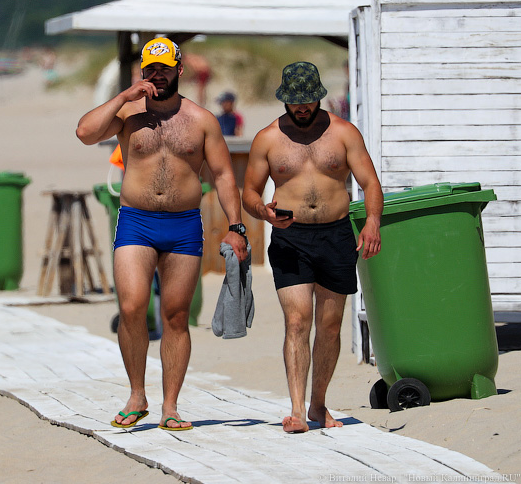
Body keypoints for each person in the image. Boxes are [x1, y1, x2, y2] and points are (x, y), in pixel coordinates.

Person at [76, 37, 248, 432]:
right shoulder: (128, 113)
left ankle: (170, 405)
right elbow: (85, 132)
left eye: (163, 69)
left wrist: (236, 227)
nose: (156, 76)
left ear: (178, 71)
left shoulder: (201, 119)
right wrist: (123, 96)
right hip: (136, 220)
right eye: (149, 69)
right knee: (133, 307)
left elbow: (222, 175)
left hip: (184, 225)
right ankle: (137, 395)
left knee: (175, 316)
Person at [242, 61, 383, 433]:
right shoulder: (267, 138)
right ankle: (296, 409)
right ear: (284, 100)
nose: (302, 108)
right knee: (297, 320)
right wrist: (263, 212)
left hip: (337, 235)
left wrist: (371, 221)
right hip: (291, 237)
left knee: (331, 324)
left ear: (318, 96)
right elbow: (250, 193)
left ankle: (319, 405)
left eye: (308, 101)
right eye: (295, 103)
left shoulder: (343, 133)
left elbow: (369, 183)